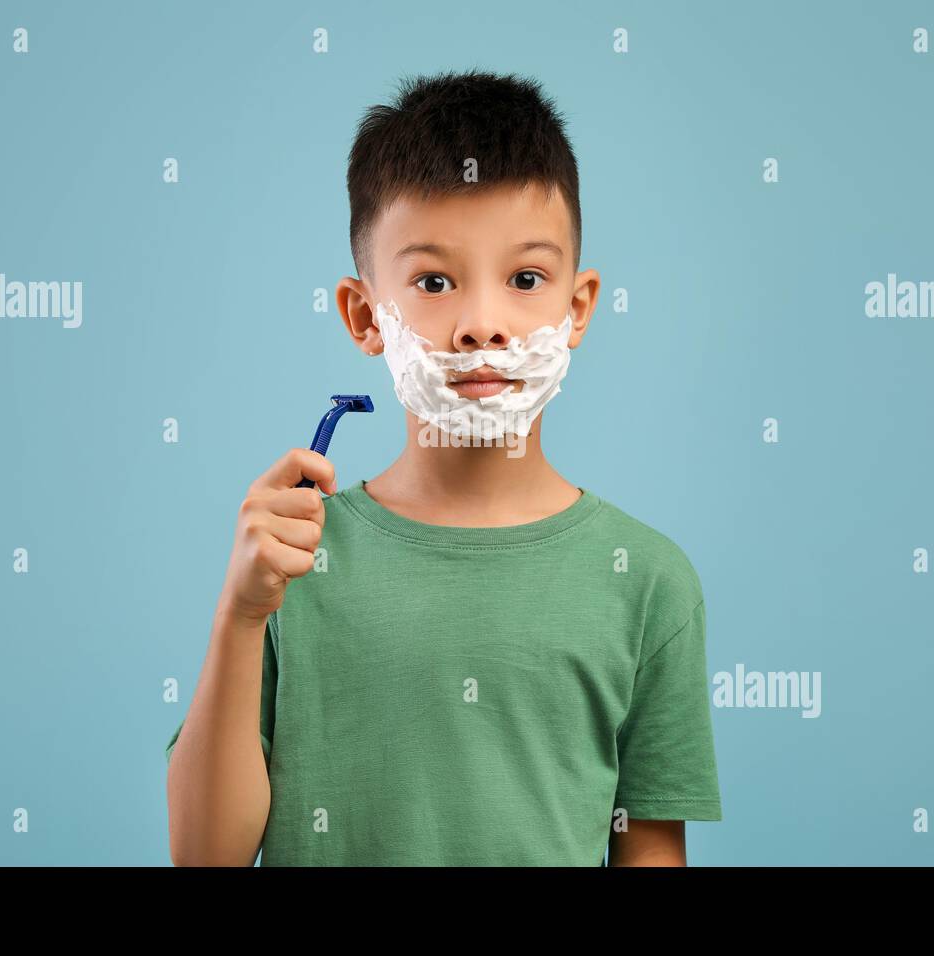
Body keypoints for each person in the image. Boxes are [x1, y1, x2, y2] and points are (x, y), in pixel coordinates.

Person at [165, 70, 722, 866]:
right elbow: (203, 855)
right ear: (365, 316)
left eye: (526, 279)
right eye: (433, 282)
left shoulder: (647, 582)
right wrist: (241, 614)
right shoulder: (294, 560)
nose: (482, 326)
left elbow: (650, 852)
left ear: (578, 308)